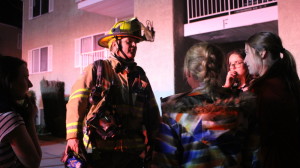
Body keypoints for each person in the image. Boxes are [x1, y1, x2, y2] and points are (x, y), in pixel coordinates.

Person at [63, 17, 160, 168]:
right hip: (101, 153)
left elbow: (152, 112)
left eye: (136, 42)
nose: (134, 45)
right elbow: (77, 102)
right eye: (129, 41)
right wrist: (73, 137)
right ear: (115, 44)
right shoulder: (98, 70)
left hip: (133, 155)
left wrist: (156, 143)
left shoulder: (139, 75)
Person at [152, 42, 255, 167]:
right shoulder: (243, 107)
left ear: (188, 72)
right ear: (219, 70)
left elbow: (164, 163)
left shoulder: (174, 115)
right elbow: (254, 157)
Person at [244, 32, 300, 168]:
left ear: (262, 52)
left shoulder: (262, 89)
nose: (245, 60)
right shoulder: (290, 82)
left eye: (247, 53)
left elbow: (255, 134)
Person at [0, 56, 42, 168]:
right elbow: (34, 162)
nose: (30, 84)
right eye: (25, 77)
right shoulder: (9, 119)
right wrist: (29, 120)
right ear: (8, 81)